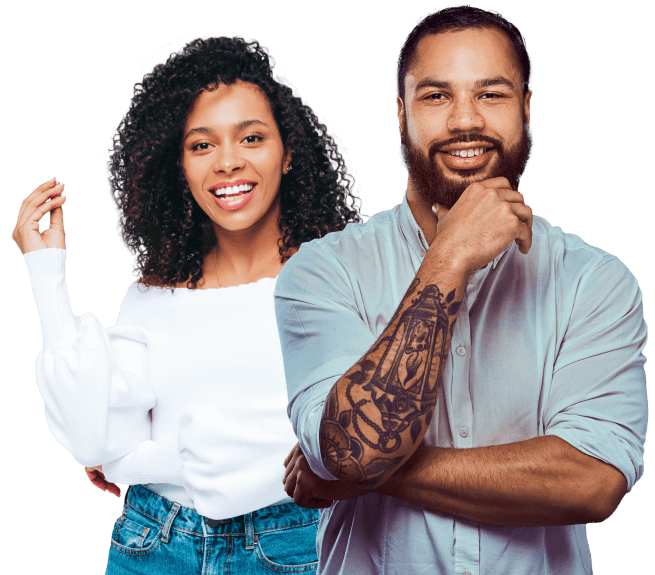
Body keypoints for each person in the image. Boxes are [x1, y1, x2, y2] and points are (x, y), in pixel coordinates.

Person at [276, 6, 647, 575]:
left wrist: (352, 469)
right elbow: (356, 450)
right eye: (436, 96)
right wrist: (449, 256)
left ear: (526, 108)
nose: (465, 121)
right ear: (401, 116)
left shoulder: (595, 280)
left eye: (491, 94)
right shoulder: (323, 271)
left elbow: (591, 481)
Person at [12, 35, 365, 574]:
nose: (227, 162)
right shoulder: (152, 294)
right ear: (177, 164)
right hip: (155, 542)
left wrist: (145, 453)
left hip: (297, 543)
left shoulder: (343, 282)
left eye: (251, 137)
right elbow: (92, 440)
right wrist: (45, 272)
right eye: (201, 145)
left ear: (289, 151)